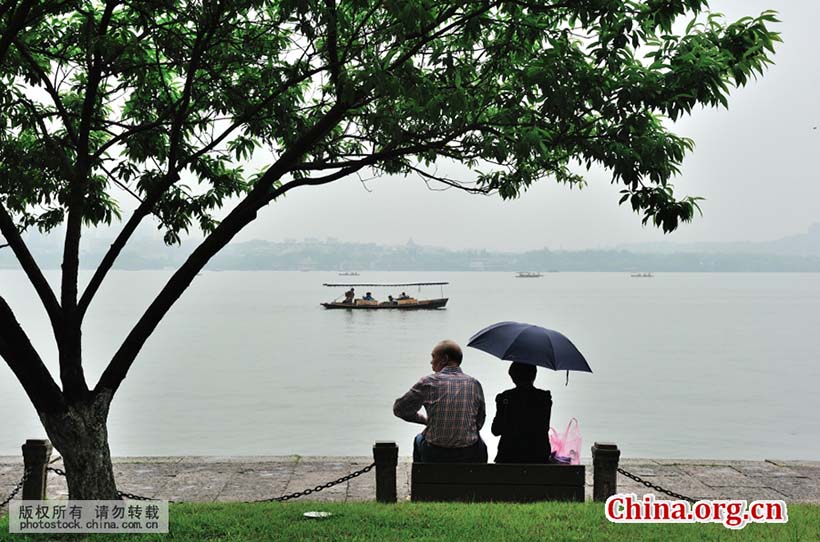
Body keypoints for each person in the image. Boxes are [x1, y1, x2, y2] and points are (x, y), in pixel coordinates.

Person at [393, 340, 487, 463]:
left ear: (444, 359)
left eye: (433, 357)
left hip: (435, 452)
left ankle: (421, 479)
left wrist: (425, 421)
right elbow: (480, 420)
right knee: (481, 444)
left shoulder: (428, 382)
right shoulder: (474, 384)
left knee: (418, 439)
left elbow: (400, 409)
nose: (431, 362)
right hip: (468, 453)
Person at [491, 362, 552, 463]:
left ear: (513, 377)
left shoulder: (505, 397)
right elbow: (544, 427)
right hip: (538, 458)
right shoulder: (544, 398)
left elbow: (496, 430)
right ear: (534, 375)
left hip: (508, 458)